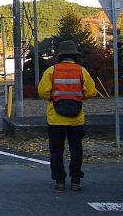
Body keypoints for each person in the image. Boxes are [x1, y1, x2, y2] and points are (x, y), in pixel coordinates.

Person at [37, 40, 97, 191]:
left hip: (55, 118)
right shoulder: (81, 71)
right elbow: (91, 92)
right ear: (75, 56)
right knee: (76, 149)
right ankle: (76, 180)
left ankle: (60, 181)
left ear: (60, 56)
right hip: (76, 118)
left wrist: (53, 96)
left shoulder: (52, 70)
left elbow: (42, 92)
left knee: (57, 150)